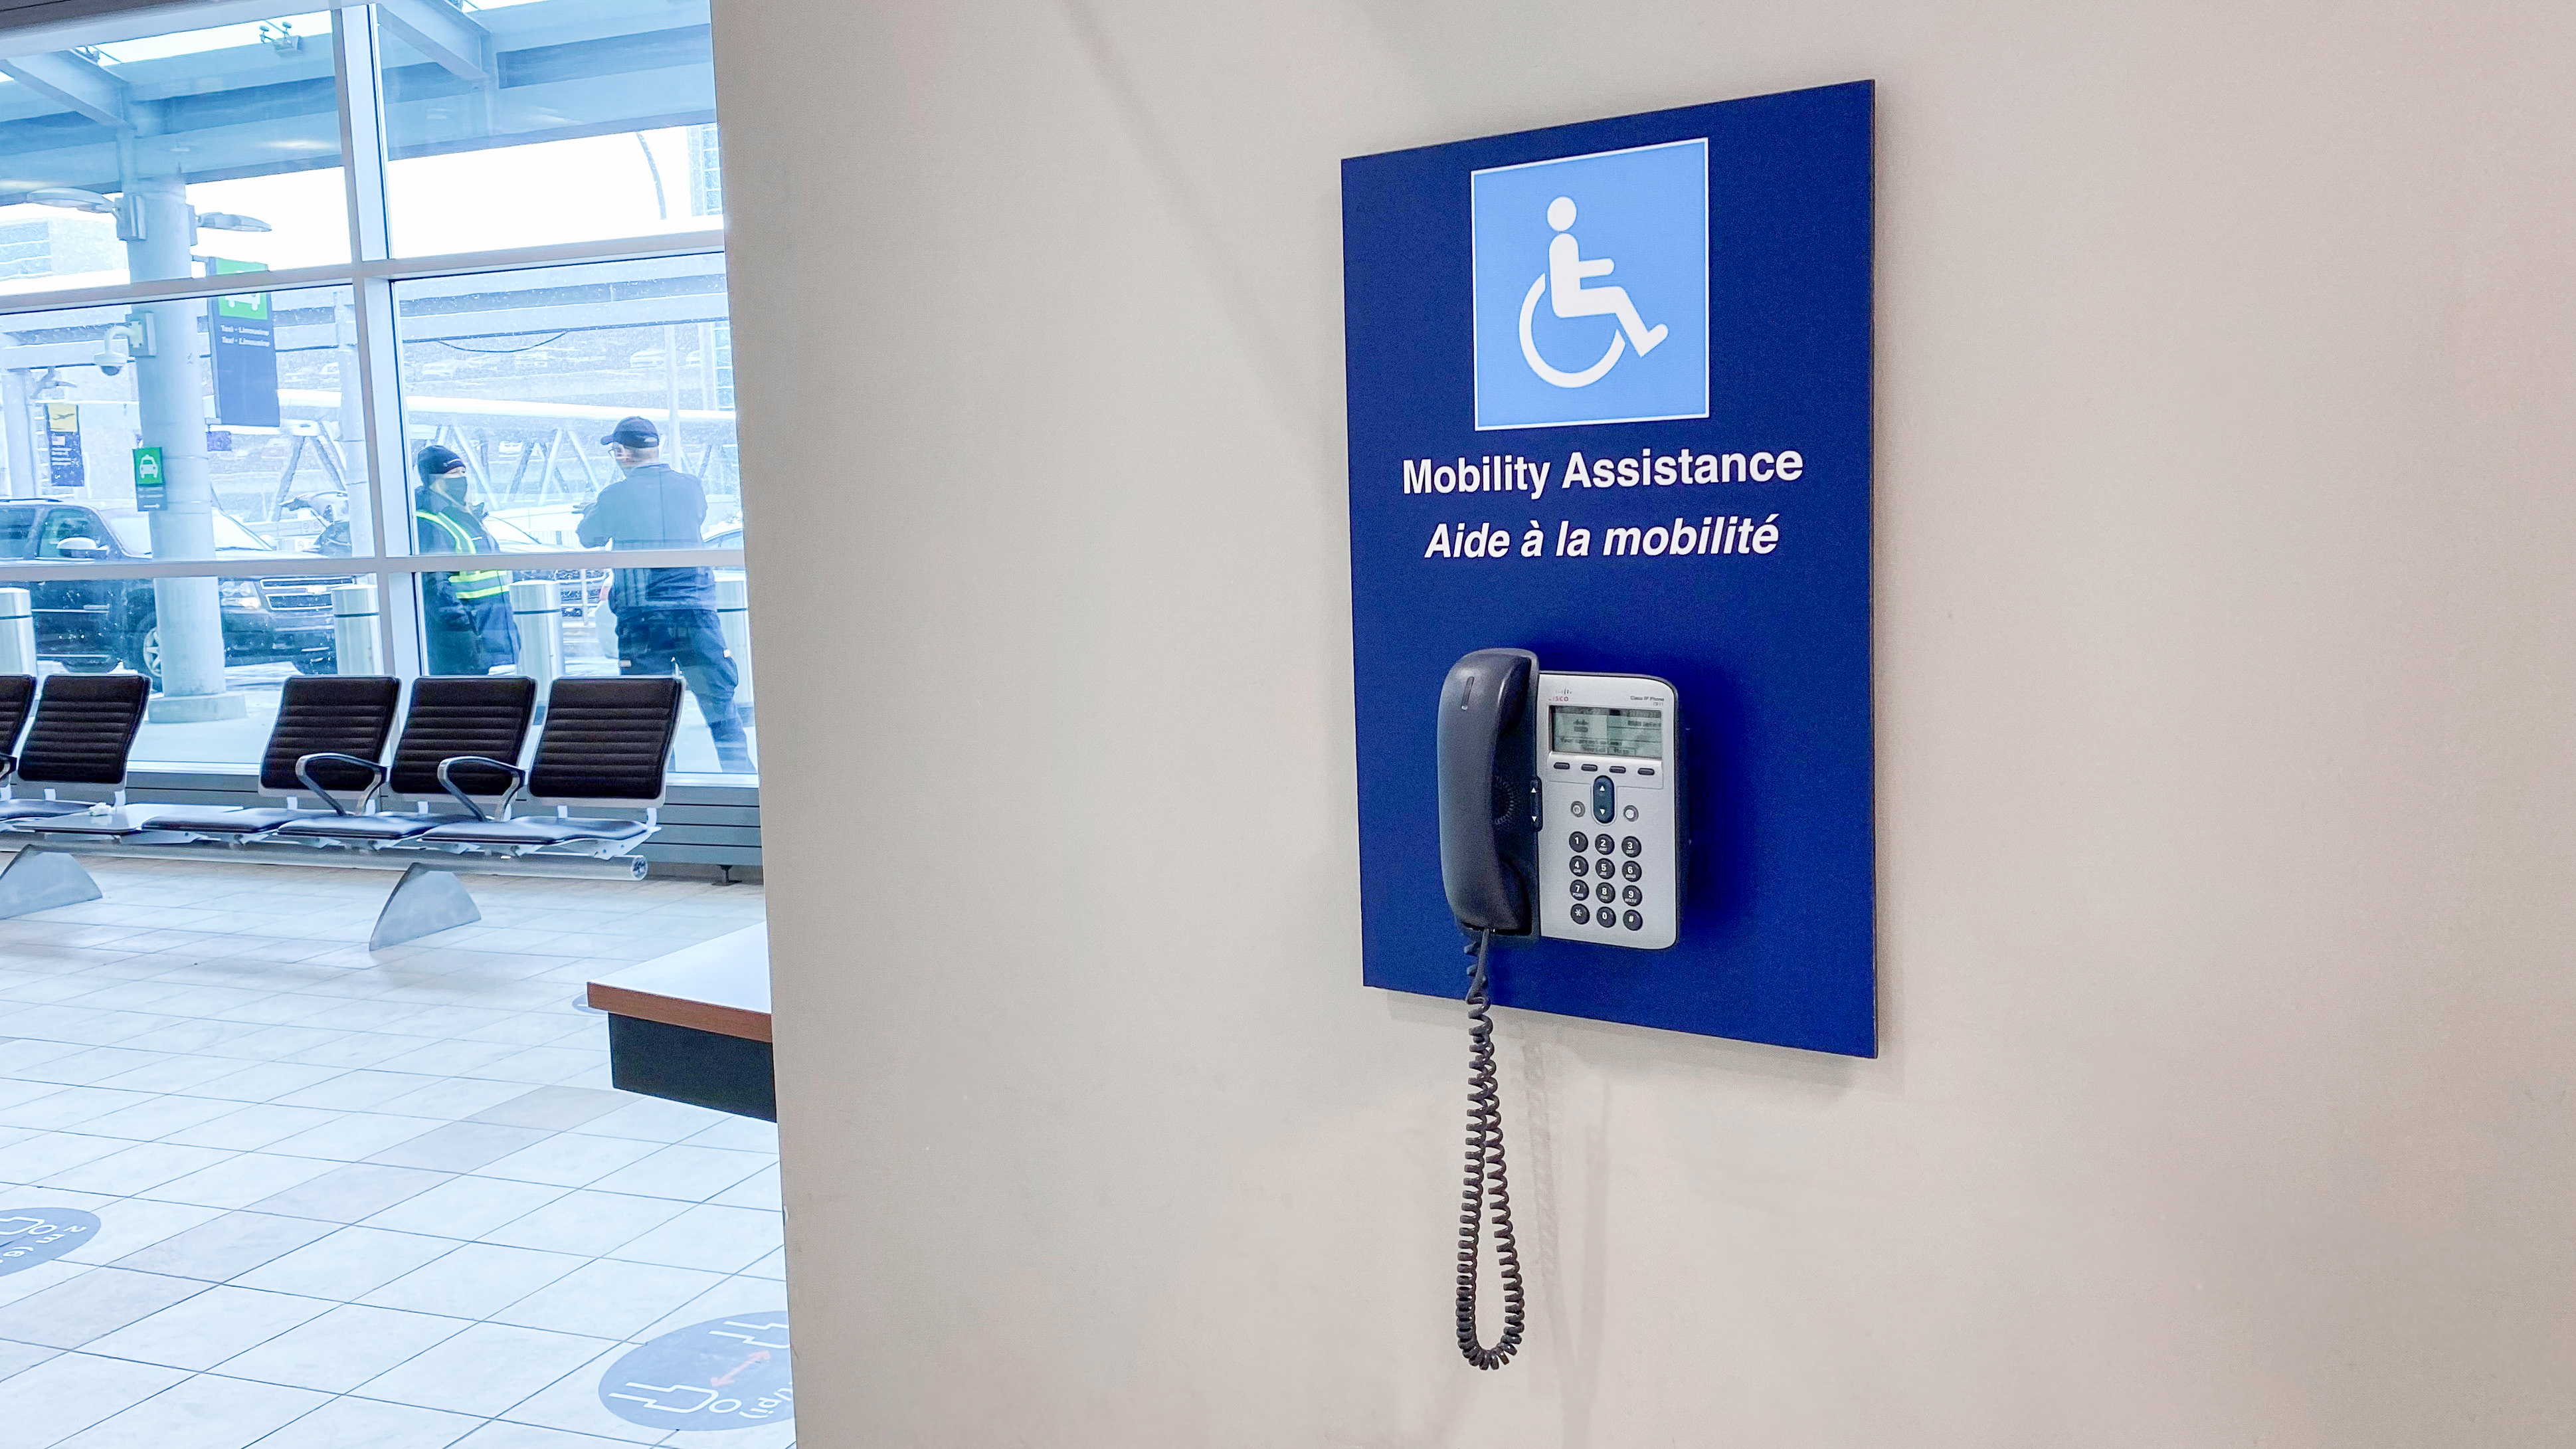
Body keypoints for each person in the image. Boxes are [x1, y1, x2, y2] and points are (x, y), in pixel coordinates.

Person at [577, 416, 752, 771]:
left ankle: (662, 787)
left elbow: (589, 537)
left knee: (649, 710)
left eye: (615, 451)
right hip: (695, 611)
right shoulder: (690, 486)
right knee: (719, 703)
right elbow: (694, 519)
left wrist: (596, 512)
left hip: (643, 617)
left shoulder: (615, 495)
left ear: (622, 453)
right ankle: (741, 778)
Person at [413, 445, 518, 675]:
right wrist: (465, 635)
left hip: (494, 632)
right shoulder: (430, 522)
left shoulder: (467, 516)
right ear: (433, 479)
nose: (460, 479)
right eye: (452, 474)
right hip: (469, 639)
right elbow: (436, 588)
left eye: (462, 473)